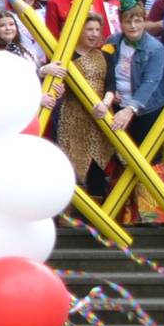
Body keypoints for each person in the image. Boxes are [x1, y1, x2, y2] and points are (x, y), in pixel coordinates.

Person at [47, 11, 117, 197]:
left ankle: (98, 208)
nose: (94, 34)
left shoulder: (105, 55)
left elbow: (111, 84)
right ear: (79, 30)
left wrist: (105, 103)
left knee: (97, 167)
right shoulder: (65, 56)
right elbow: (54, 83)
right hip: (72, 119)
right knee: (71, 165)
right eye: (89, 29)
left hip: (99, 117)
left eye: (97, 30)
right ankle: (70, 209)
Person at [106, 3, 164, 147]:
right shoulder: (112, 41)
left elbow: (150, 82)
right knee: (117, 150)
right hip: (117, 105)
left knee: (144, 152)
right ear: (121, 23)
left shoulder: (155, 48)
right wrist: (111, 90)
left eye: (138, 21)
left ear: (144, 21)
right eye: (128, 21)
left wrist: (130, 109)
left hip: (146, 109)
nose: (133, 26)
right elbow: (106, 70)